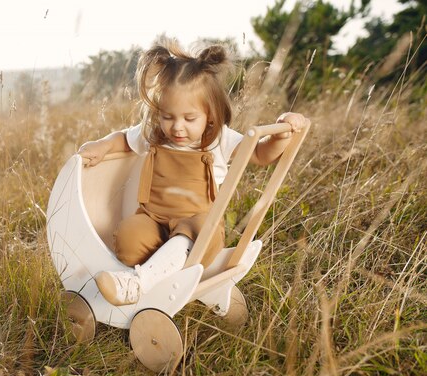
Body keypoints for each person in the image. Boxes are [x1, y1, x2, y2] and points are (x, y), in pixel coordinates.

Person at [78, 39, 307, 306]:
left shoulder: (218, 139)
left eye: (189, 119)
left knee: (190, 233)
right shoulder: (154, 135)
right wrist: (102, 145)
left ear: (210, 114)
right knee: (129, 237)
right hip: (156, 218)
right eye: (167, 116)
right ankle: (160, 276)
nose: (177, 128)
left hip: (199, 224)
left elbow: (260, 154)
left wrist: (282, 132)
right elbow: (123, 140)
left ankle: (137, 285)